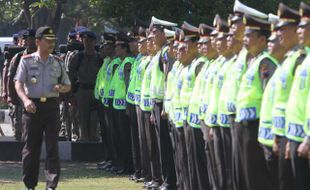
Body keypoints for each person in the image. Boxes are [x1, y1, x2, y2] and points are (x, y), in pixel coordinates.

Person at [14, 26, 71, 190]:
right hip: (32, 107)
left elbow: (68, 85)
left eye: (53, 40)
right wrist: (25, 100)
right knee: (31, 149)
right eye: (48, 40)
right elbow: (18, 83)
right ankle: (30, 185)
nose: (51, 44)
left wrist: (61, 88)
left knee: (52, 147)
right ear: (38, 42)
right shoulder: (26, 60)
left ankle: (51, 185)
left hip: (52, 108)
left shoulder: (58, 61)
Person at [68, 30, 101, 141]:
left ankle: (93, 144)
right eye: (86, 41)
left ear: (95, 42)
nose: (88, 43)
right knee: (81, 119)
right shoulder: (77, 57)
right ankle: (83, 143)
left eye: (91, 41)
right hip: (81, 91)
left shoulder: (99, 58)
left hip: (95, 92)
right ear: (82, 42)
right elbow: (71, 77)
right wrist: (71, 95)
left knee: (94, 121)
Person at [7, 29, 37, 141]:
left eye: (34, 39)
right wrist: (11, 96)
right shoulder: (18, 57)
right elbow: (11, 78)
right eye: (29, 39)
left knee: (37, 127)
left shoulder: (44, 56)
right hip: (22, 97)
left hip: (40, 96)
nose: (32, 42)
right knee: (20, 126)